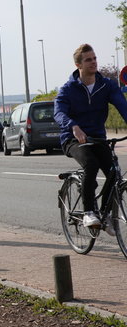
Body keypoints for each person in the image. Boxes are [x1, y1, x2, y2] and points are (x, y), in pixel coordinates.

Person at [54, 43, 127, 233]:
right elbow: (59, 113)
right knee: (91, 164)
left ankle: (106, 215)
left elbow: (122, 105)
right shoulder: (68, 89)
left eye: (94, 58)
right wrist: (73, 127)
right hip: (73, 139)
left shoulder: (106, 85)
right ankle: (88, 212)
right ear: (79, 64)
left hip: (97, 137)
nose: (93, 62)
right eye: (88, 60)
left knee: (113, 170)